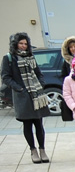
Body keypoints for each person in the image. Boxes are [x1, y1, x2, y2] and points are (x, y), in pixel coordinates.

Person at [2, 32, 50, 163]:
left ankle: (42, 150)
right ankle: (33, 150)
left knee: (39, 124)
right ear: (15, 44)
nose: (24, 46)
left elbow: (38, 73)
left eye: (25, 43)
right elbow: (5, 77)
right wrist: (19, 88)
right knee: (27, 124)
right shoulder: (9, 58)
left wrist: (41, 84)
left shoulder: (31, 57)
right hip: (22, 96)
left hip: (37, 95)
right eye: (21, 43)